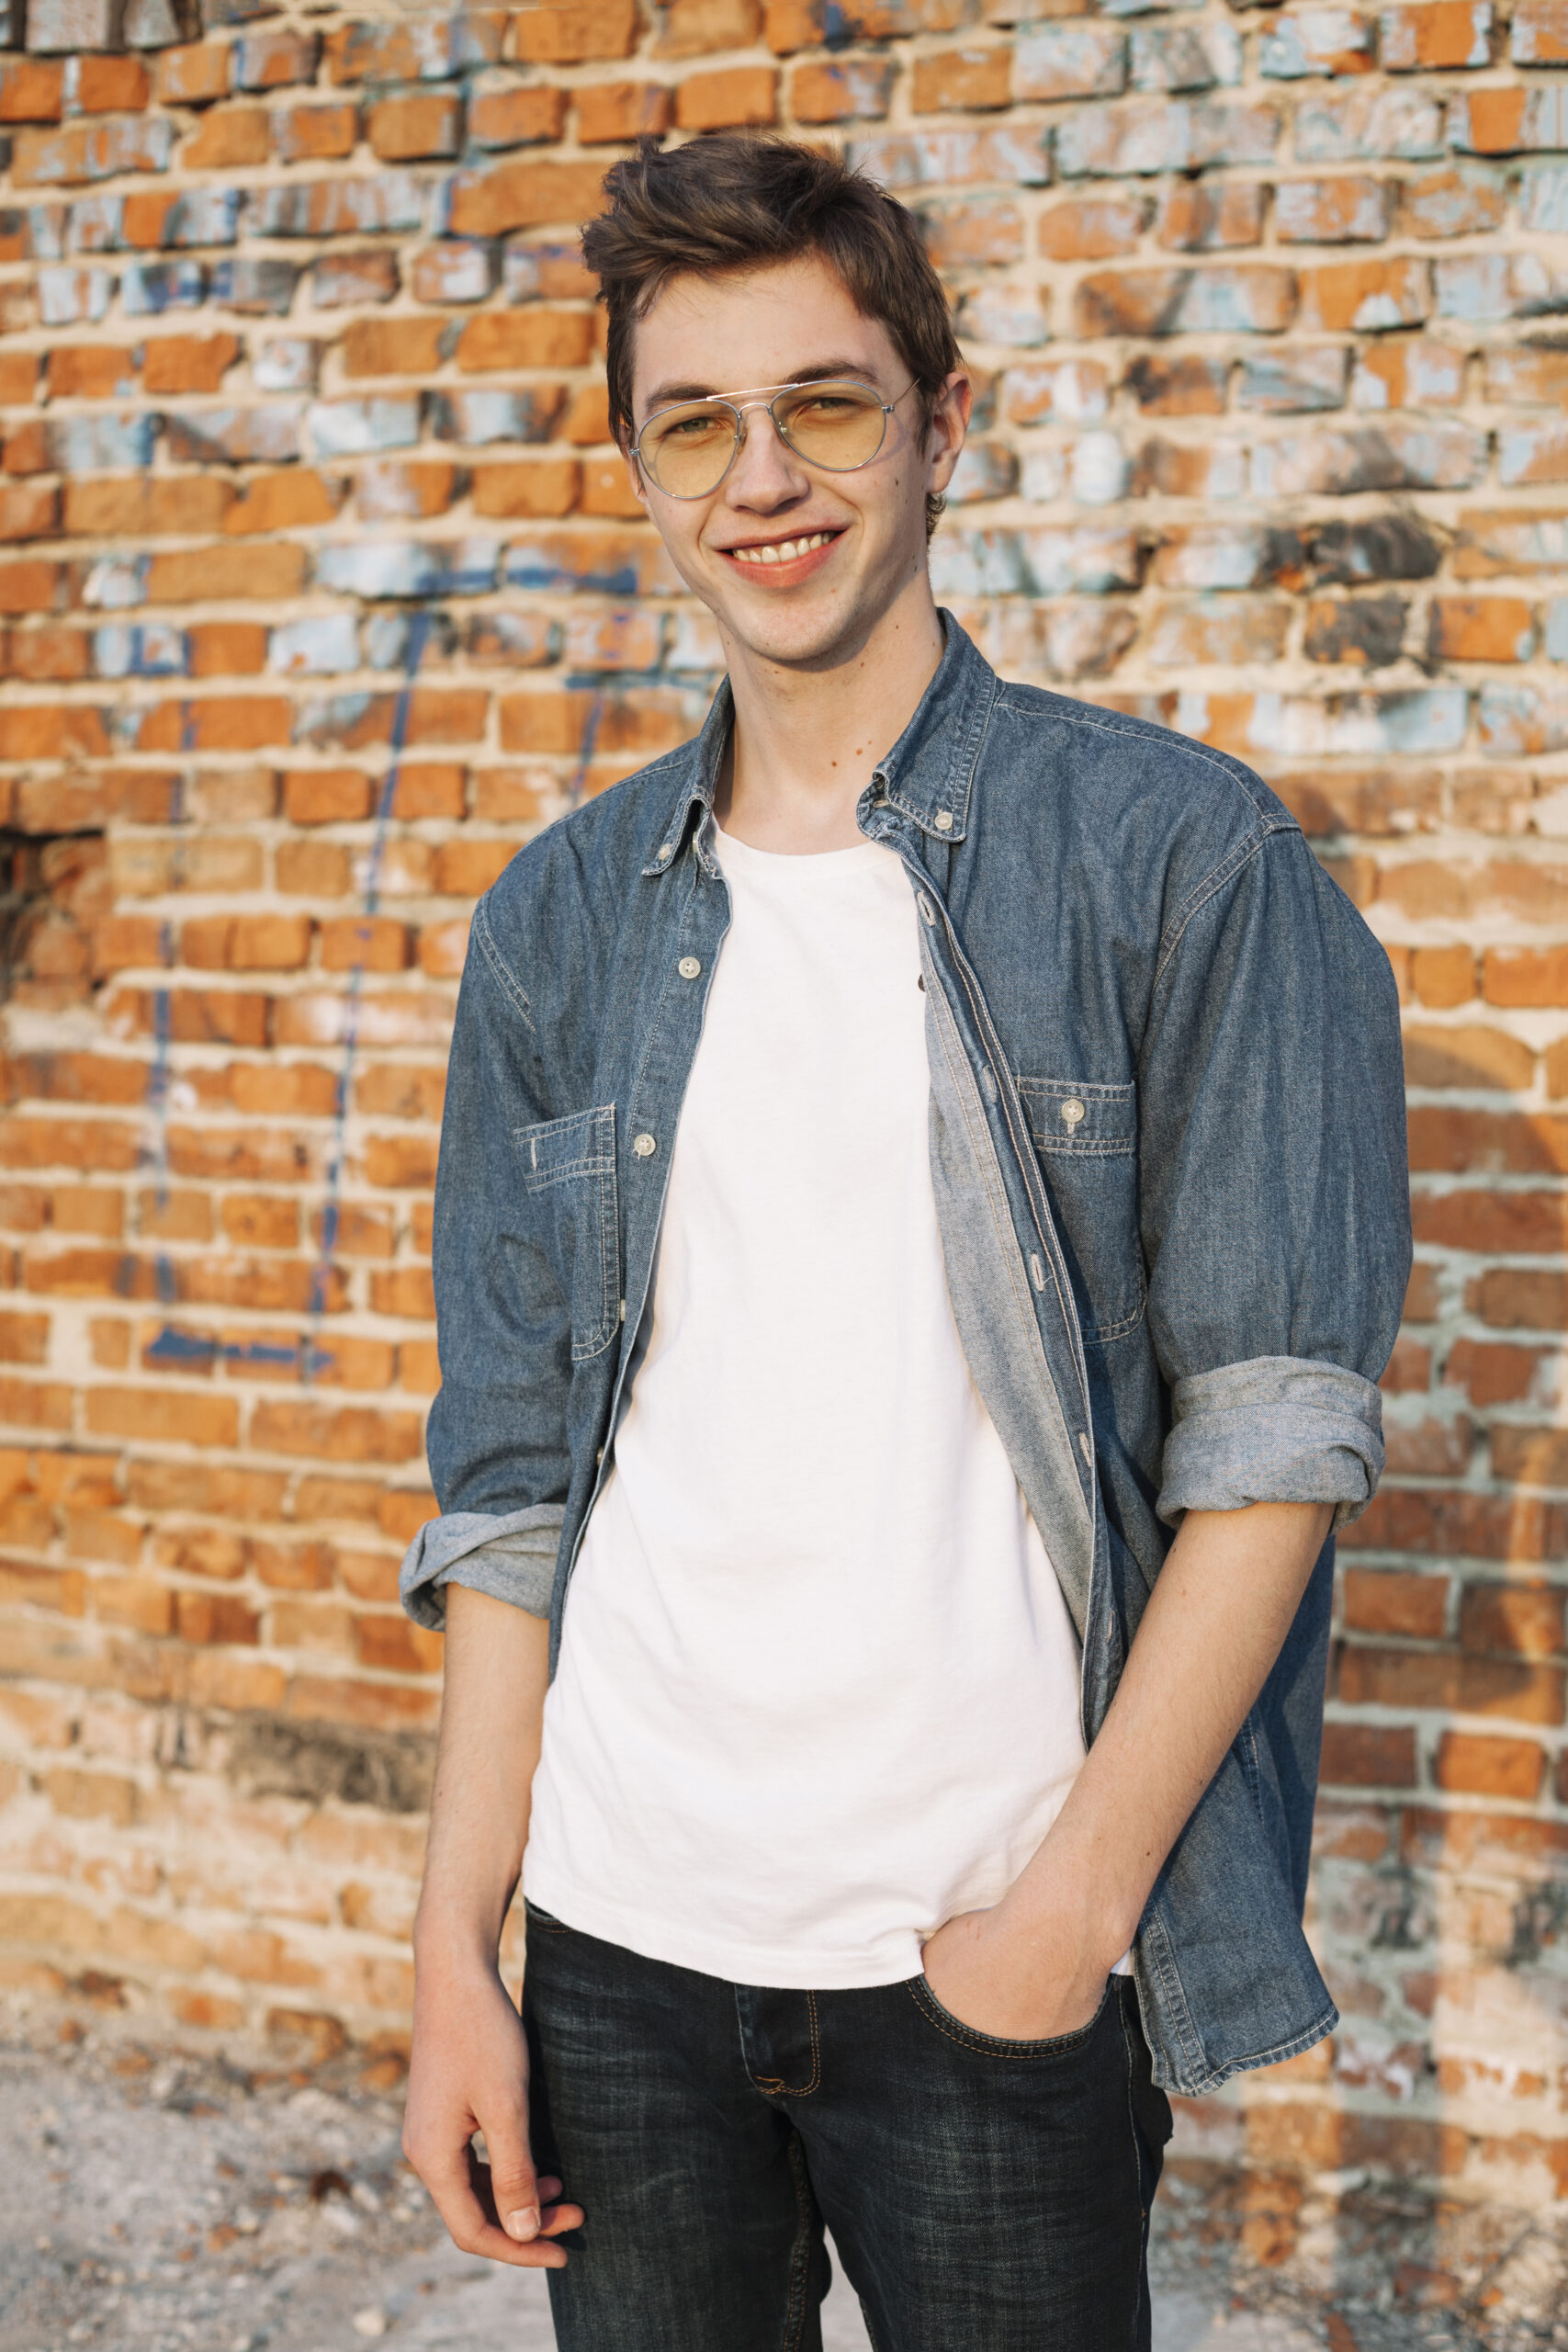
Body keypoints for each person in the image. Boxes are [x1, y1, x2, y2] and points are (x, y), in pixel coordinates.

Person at [397, 133, 1411, 2352]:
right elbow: (506, 1486)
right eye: (694, 422)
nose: (762, 476)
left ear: (941, 425)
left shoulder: (1173, 859)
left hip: (984, 1958)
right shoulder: (558, 924)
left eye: (825, 403)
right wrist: (459, 1954)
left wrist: (1068, 1912)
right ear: (645, 473)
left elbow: (1272, 1435)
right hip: (617, 1949)